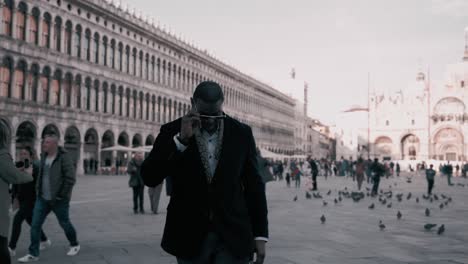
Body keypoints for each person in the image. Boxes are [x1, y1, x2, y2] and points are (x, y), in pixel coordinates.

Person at [141, 81, 268, 264]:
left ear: (223, 103)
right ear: (192, 103)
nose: (209, 121)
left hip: (233, 235)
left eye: (215, 115)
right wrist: (181, 141)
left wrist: (260, 235)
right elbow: (150, 177)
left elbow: (254, 187)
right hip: (188, 235)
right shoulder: (171, 131)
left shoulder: (241, 133)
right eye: (203, 114)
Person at [18, 134, 80, 262]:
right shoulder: (44, 156)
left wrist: (61, 196)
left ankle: (74, 244)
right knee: (35, 225)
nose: (43, 144)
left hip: (58, 200)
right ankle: (33, 253)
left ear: (54, 144)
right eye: (43, 142)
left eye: (46, 142)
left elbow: (70, 178)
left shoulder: (64, 157)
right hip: (42, 198)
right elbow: (41, 174)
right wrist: (37, 190)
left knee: (64, 223)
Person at [0, 120, 34, 264]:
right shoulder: (2, 155)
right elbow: (16, 177)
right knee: (1, 247)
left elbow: (8, 172)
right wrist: (28, 173)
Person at [9, 147, 50, 257]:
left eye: (25, 153)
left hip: (31, 199)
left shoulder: (35, 167)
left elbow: (39, 184)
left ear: (30, 156)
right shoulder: (17, 166)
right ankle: (44, 240)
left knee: (17, 220)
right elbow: (14, 183)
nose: (23, 156)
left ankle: (11, 247)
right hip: (21, 199)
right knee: (31, 221)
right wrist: (13, 198)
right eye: (21, 153)